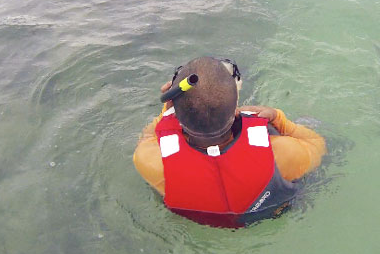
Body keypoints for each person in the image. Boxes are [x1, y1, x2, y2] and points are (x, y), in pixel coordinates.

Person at [133, 57, 325, 228]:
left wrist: (167, 111)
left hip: (201, 223)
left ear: (175, 111)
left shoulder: (151, 161)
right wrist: (278, 118)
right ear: (236, 110)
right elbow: (317, 144)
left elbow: (148, 137)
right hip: (266, 216)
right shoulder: (282, 152)